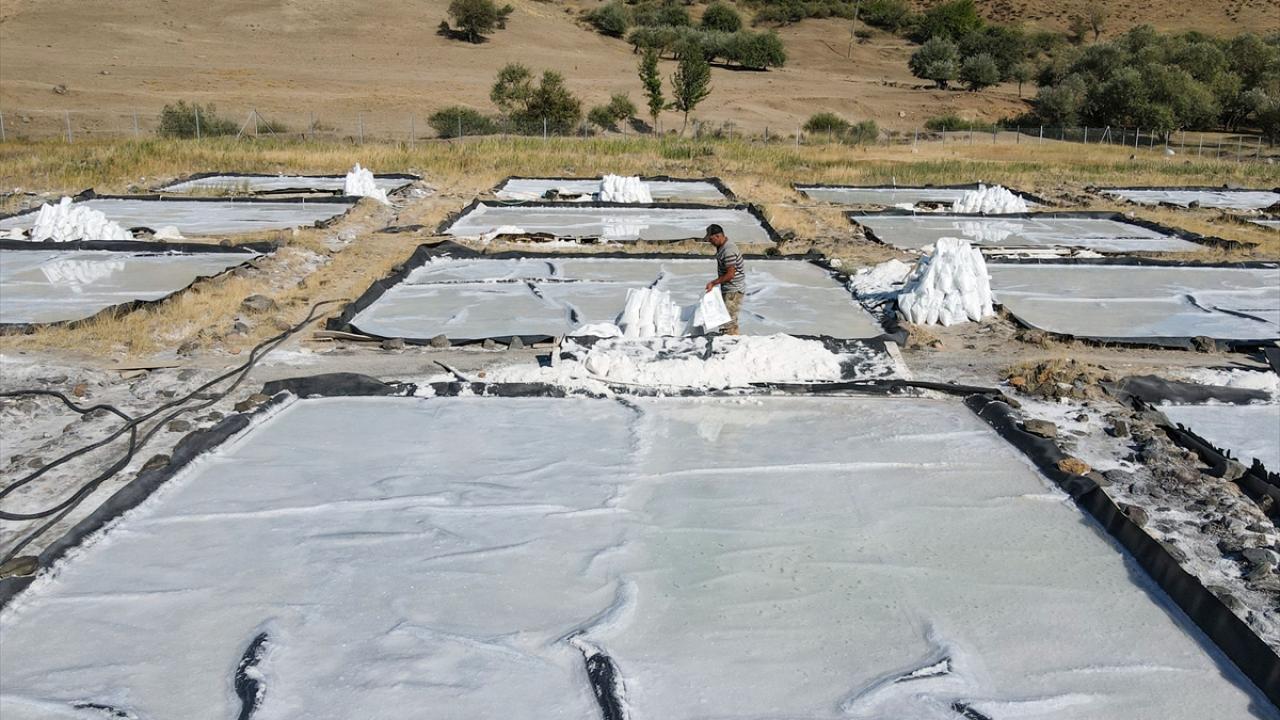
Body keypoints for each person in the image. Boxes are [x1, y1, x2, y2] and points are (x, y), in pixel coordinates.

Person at [703, 223, 746, 335]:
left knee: (728, 323)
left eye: (711, 239)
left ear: (718, 236)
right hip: (729, 289)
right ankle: (731, 340)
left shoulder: (728, 251)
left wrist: (713, 283)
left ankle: (730, 342)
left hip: (733, 290)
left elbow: (730, 274)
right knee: (727, 320)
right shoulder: (723, 247)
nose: (710, 242)